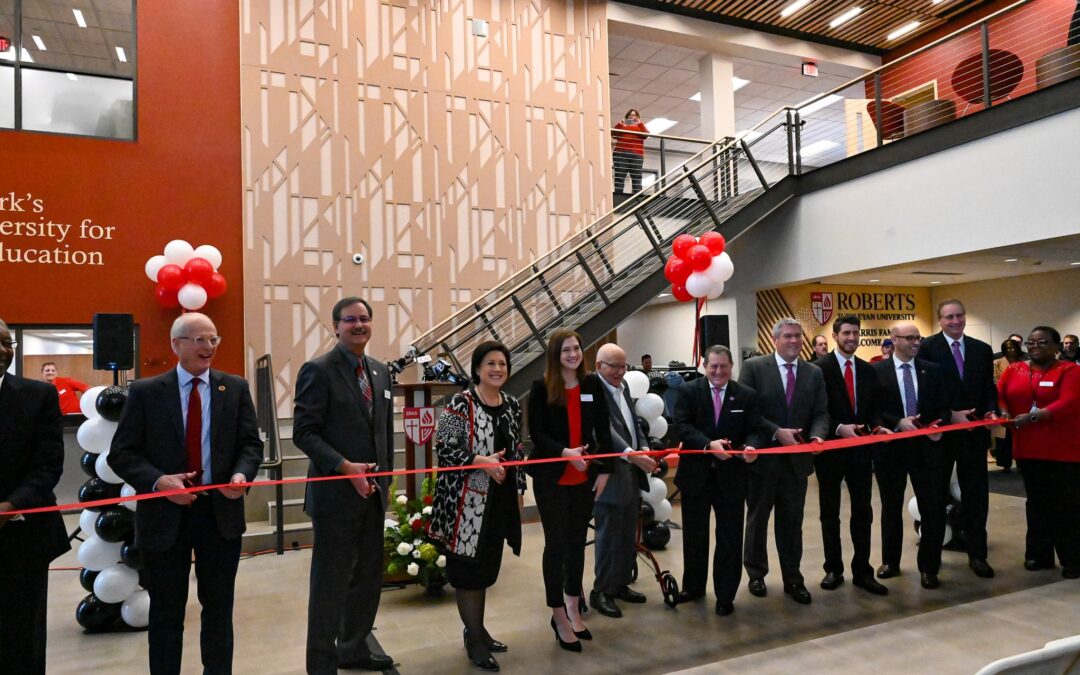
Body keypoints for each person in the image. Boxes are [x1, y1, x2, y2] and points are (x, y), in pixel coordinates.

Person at [108, 313, 263, 675]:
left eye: (213, 339)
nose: (208, 347)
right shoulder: (147, 392)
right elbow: (122, 453)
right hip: (165, 518)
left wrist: (241, 475)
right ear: (176, 344)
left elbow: (250, 445)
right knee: (166, 613)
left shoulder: (235, 388)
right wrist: (160, 482)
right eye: (198, 339)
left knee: (219, 610)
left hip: (220, 514)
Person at [293, 297, 395, 674]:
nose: (358, 325)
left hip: (372, 496)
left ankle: (354, 648)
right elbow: (304, 432)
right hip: (335, 497)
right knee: (330, 586)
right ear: (335, 326)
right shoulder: (317, 371)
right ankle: (321, 664)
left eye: (364, 319)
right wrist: (343, 467)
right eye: (350, 320)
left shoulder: (381, 372)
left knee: (368, 579)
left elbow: (383, 433)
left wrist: (384, 483)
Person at [429, 342, 526, 672]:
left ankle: (479, 629)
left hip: (499, 503)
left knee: (485, 570)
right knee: (468, 575)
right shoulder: (460, 403)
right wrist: (478, 462)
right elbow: (442, 448)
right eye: (490, 363)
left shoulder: (512, 404)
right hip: (464, 508)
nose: (497, 368)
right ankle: (474, 637)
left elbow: (517, 451)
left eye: (502, 363)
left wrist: (520, 487)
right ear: (477, 368)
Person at [527, 329, 613, 652]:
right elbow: (536, 433)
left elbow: (603, 429)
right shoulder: (542, 388)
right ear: (555, 355)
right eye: (566, 350)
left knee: (577, 543)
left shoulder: (592, 386)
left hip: (584, 478)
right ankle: (558, 614)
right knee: (557, 546)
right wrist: (566, 453)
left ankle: (574, 606)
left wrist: (604, 469)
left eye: (577, 348)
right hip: (553, 477)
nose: (573, 354)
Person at [738, 318, 829, 605]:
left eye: (798, 336)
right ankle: (756, 574)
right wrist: (777, 432)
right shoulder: (754, 368)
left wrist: (816, 437)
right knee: (757, 520)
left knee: (792, 524)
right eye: (788, 336)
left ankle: (793, 577)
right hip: (763, 462)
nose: (794, 341)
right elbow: (747, 412)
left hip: (796, 464)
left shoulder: (813, 373)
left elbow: (821, 413)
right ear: (775, 340)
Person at [671, 345, 766, 616]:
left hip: (732, 480)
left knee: (729, 539)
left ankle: (726, 595)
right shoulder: (688, 392)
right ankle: (693, 586)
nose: (718, 371)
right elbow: (681, 426)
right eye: (713, 366)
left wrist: (750, 447)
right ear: (704, 366)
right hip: (695, 478)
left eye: (723, 366)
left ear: (731, 366)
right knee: (694, 536)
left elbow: (757, 430)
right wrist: (707, 444)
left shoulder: (746, 396)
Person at [0, 319, 70, 675]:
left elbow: (48, 464)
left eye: (8, 343)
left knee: (22, 636)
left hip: (23, 537)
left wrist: (10, 506)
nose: (4, 351)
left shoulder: (37, 396)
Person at [870, 321, 952, 589]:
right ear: (893, 340)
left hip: (927, 449)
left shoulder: (933, 370)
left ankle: (929, 567)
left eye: (918, 338)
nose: (916, 342)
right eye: (909, 338)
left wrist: (937, 425)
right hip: (891, 451)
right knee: (890, 507)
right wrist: (897, 422)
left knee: (932, 507)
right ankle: (890, 562)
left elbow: (943, 406)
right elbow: (873, 410)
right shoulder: (877, 371)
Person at [921, 299, 998, 579]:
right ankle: (930, 565)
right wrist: (950, 415)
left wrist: (991, 411)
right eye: (949, 317)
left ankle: (978, 555)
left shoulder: (981, 349)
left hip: (973, 436)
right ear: (939, 320)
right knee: (934, 500)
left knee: (977, 497)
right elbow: (924, 396)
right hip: (940, 437)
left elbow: (988, 388)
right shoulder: (927, 348)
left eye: (960, 316)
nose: (955, 321)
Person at [813, 316, 890, 596]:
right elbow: (816, 410)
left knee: (863, 512)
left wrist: (878, 425)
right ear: (835, 336)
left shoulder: (868, 370)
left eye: (856, 333)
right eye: (846, 333)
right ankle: (833, 568)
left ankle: (862, 571)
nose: (852, 337)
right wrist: (837, 428)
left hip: (860, 452)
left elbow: (875, 408)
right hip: (830, 452)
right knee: (829, 513)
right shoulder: (818, 370)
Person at [998, 327, 1080, 579]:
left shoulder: (1070, 370)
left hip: (1063, 450)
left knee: (1066, 505)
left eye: (1043, 342)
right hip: (1028, 448)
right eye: (1031, 342)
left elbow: (1070, 402)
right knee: (1036, 504)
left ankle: (1072, 559)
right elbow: (1001, 395)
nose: (1035, 346)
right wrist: (1002, 412)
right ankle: (1038, 555)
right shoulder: (1014, 370)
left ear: (1057, 346)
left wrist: (1035, 416)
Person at [589, 343, 657, 618]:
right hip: (610, 473)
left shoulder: (624, 387)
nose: (620, 371)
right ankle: (602, 591)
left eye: (623, 366)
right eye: (614, 366)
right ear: (599, 366)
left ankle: (620, 584)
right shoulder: (593, 389)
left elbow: (633, 422)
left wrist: (644, 447)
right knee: (608, 535)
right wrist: (632, 454)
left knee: (628, 532)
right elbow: (601, 430)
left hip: (630, 473)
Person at [992, 339, 1024, 472]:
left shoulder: (1024, 362)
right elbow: (995, 379)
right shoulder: (997, 362)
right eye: (1008, 348)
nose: (1011, 350)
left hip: (1020, 401)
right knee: (1004, 436)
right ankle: (1005, 464)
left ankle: (1022, 462)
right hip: (1002, 399)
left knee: (1021, 434)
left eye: (1013, 348)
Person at [612, 109, 649, 195]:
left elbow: (646, 135)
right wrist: (620, 123)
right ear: (627, 117)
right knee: (620, 176)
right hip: (621, 153)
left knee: (637, 177)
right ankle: (618, 196)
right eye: (630, 115)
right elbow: (613, 134)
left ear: (637, 117)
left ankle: (638, 197)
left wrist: (639, 123)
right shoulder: (623, 125)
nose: (632, 117)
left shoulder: (640, 126)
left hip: (636, 155)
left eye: (634, 115)